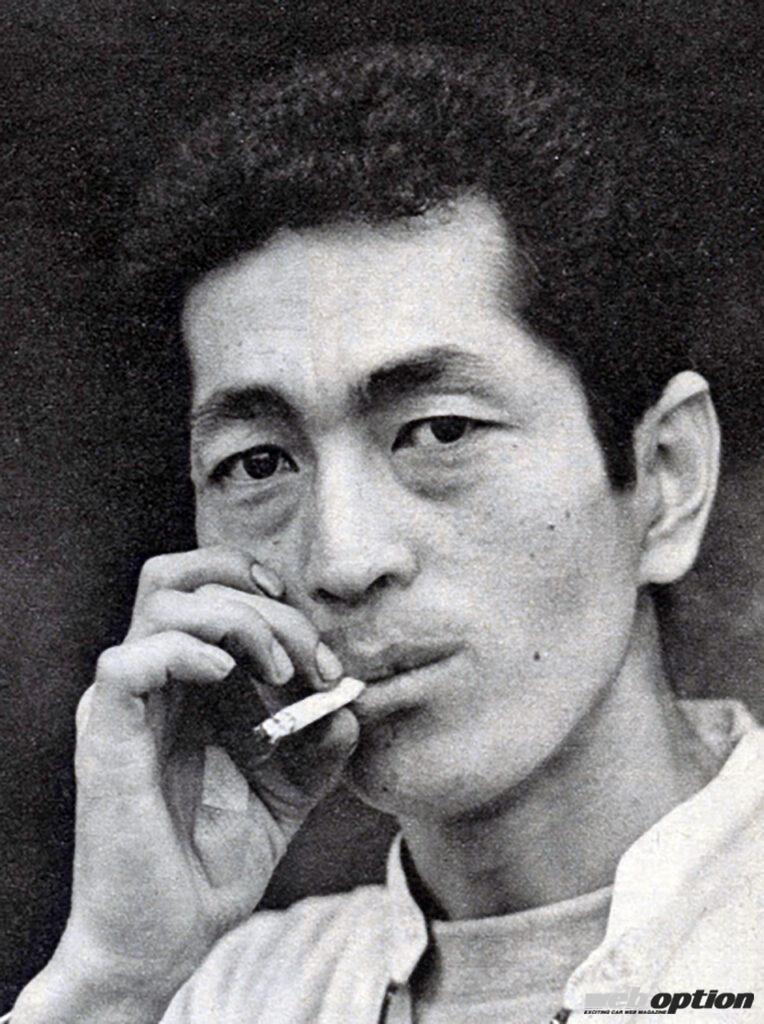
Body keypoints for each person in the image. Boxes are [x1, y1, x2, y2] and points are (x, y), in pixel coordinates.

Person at [9, 43, 763, 1024]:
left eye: (439, 432)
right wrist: (113, 979)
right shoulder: (232, 996)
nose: (341, 560)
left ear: (665, 477)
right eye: (258, 462)